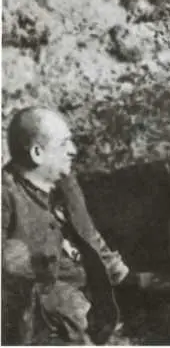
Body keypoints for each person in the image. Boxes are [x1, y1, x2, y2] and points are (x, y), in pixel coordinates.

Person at [1, 107, 141, 344]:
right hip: (40, 322)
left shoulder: (65, 183)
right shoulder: (6, 198)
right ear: (37, 153)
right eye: (64, 144)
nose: (73, 150)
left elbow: (88, 235)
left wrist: (121, 273)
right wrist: (57, 301)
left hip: (88, 303)